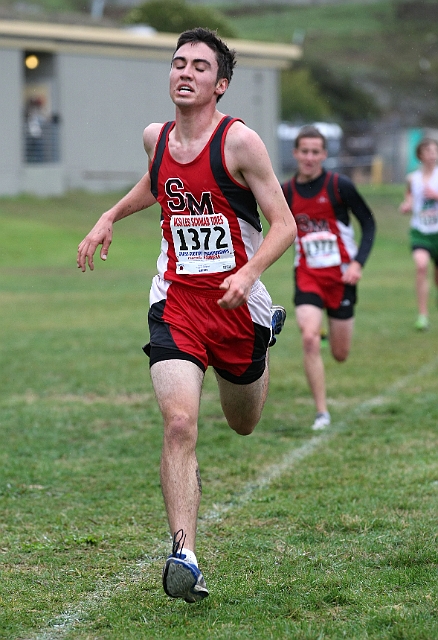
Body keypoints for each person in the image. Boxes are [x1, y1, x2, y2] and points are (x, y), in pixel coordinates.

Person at [77, 28, 296, 603]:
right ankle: (184, 555)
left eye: (200, 66)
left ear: (220, 85)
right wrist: (110, 215)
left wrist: (248, 276)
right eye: (179, 62)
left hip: (237, 304)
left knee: (243, 423)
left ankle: (265, 331)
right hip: (176, 301)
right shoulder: (157, 137)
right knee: (179, 423)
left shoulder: (239, 143)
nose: (186, 72)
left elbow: (284, 224)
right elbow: (158, 182)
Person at [281, 125, 375, 431]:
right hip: (307, 275)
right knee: (308, 338)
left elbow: (369, 224)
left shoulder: (339, 186)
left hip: (341, 278)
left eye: (315, 152)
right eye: (303, 151)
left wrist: (358, 264)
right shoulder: (286, 192)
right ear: (295, 153)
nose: (309, 157)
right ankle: (322, 412)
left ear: (324, 154)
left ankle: (324, 333)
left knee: (340, 354)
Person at [399, 137, 438, 330]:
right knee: (421, 266)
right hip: (420, 231)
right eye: (428, 151)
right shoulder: (412, 178)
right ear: (420, 155)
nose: (432, 154)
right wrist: (406, 205)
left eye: (435, 151)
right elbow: (410, 198)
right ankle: (422, 315)